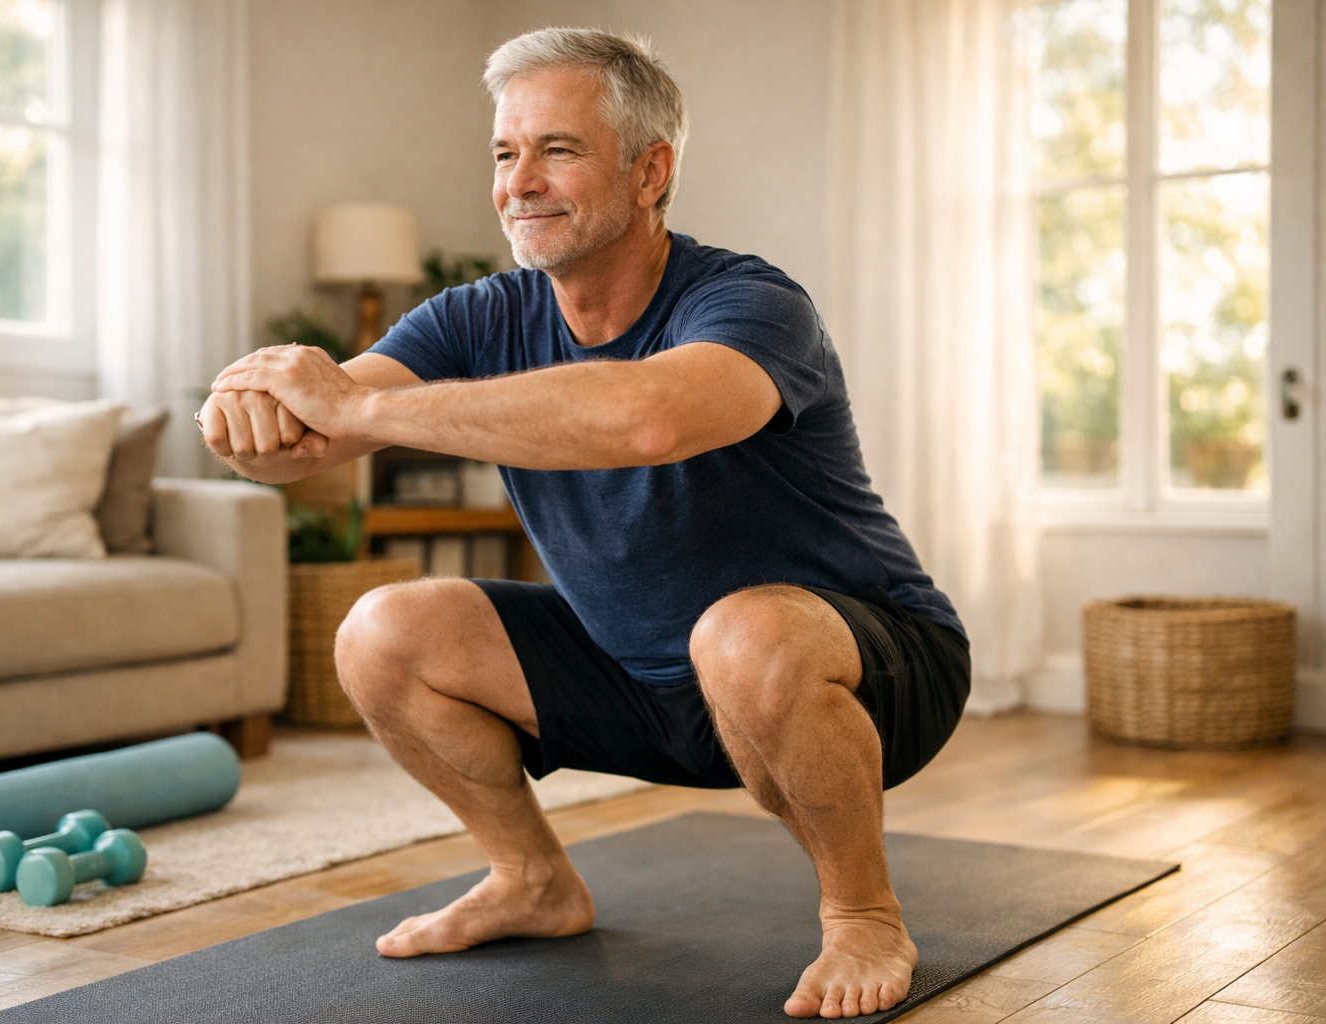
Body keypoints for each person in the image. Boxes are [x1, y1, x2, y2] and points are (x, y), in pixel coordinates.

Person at [198, 28, 970, 1021]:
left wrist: (357, 409)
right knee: (381, 632)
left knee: (741, 633)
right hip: (641, 674)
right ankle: (532, 881)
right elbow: (311, 434)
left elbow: (643, 417)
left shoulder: (750, 300)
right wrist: (247, 416)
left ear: (651, 172)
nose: (519, 181)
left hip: (862, 664)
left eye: (556, 149)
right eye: (503, 154)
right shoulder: (479, 316)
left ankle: (863, 909)